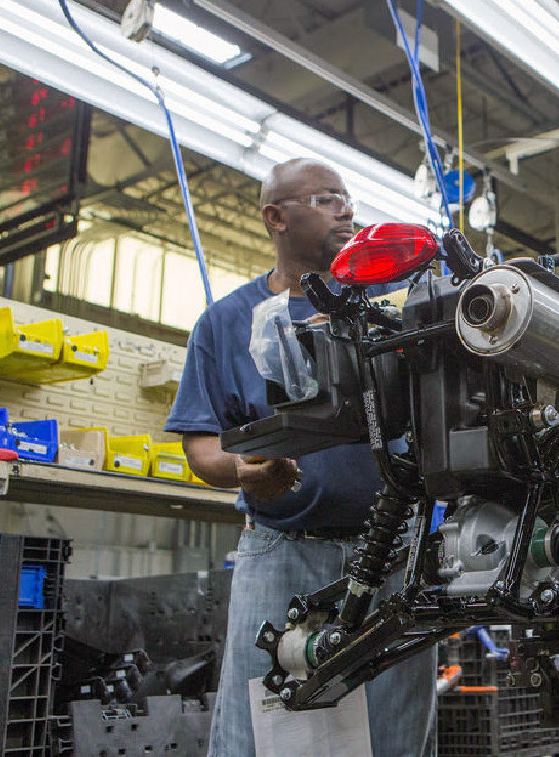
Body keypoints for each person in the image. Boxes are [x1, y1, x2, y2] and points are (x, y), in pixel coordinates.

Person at [166, 158, 436, 756]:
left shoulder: (388, 305)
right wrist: (243, 473)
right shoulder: (225, 323)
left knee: (395, 732)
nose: (345, 209)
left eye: (346, 198)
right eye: (324, 198)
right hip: (282, 550)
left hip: (394, 555)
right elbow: (200, 442)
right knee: (257, 733)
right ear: (276, 217)